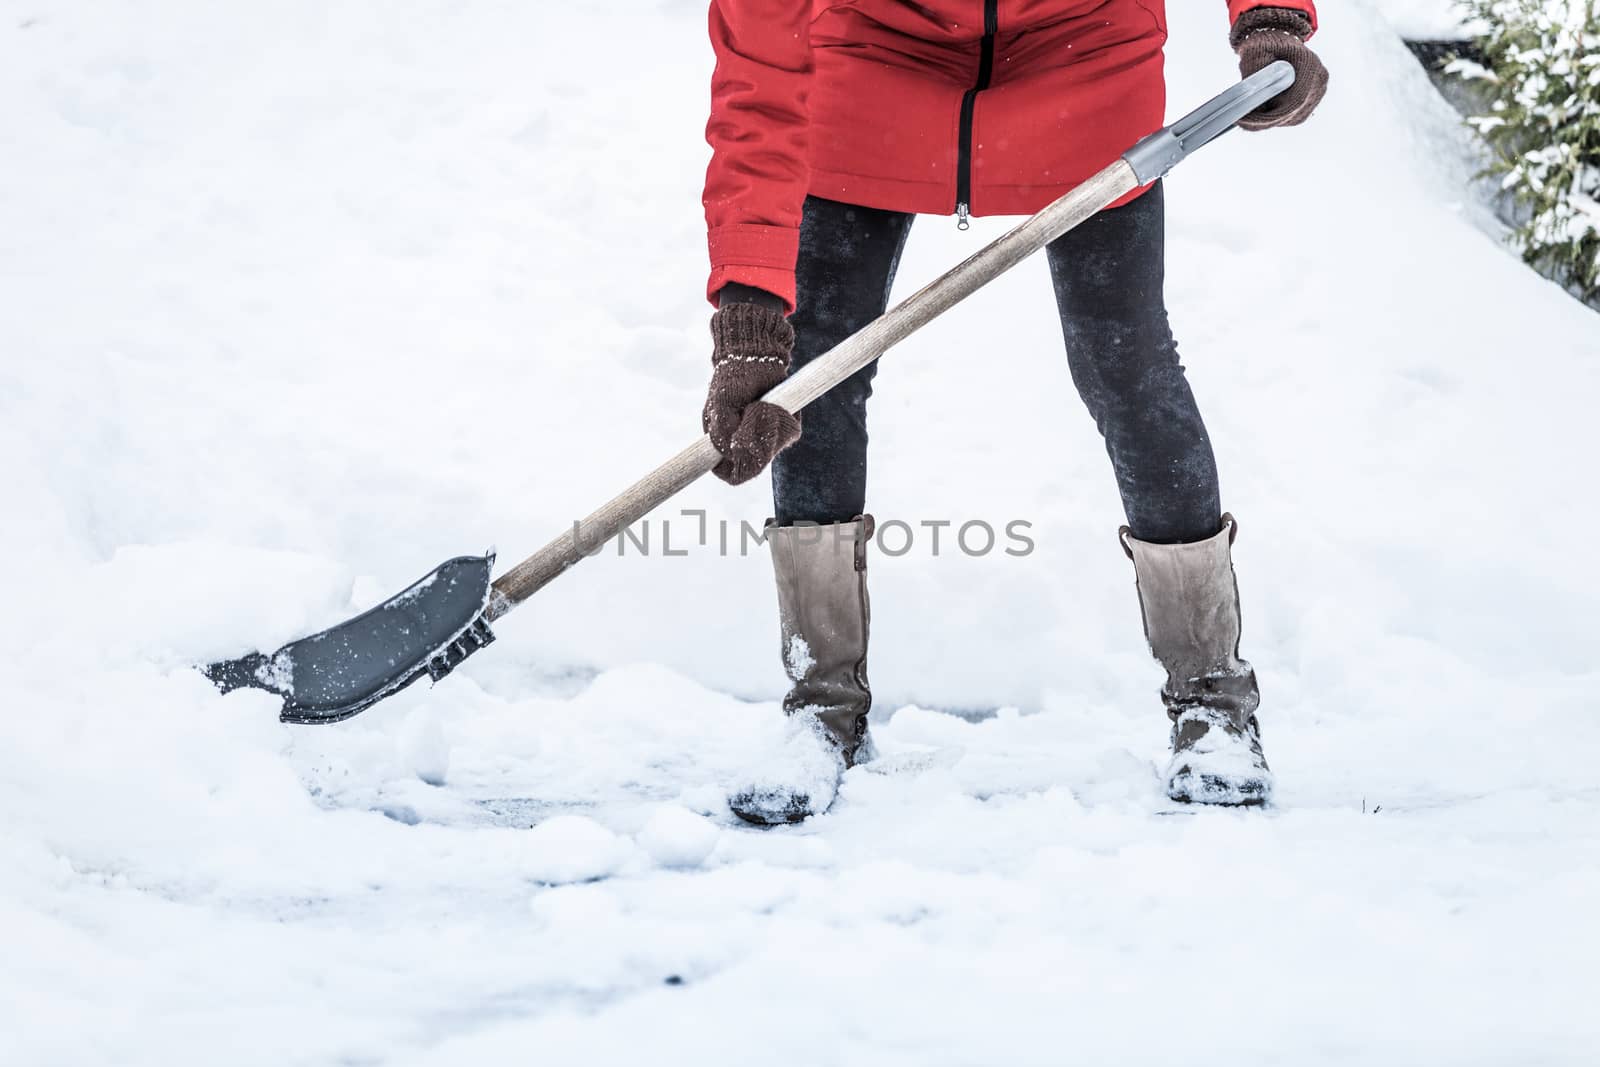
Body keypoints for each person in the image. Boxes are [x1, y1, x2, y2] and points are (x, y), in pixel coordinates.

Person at [699, 1, 1327, 824]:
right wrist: (750, 307)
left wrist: (1271, 17)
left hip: (1088, 62)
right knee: (816, 377)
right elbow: (760, 77)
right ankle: (821, 707)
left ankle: (1213, 701)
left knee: (1125, 365)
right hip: (868, 75)